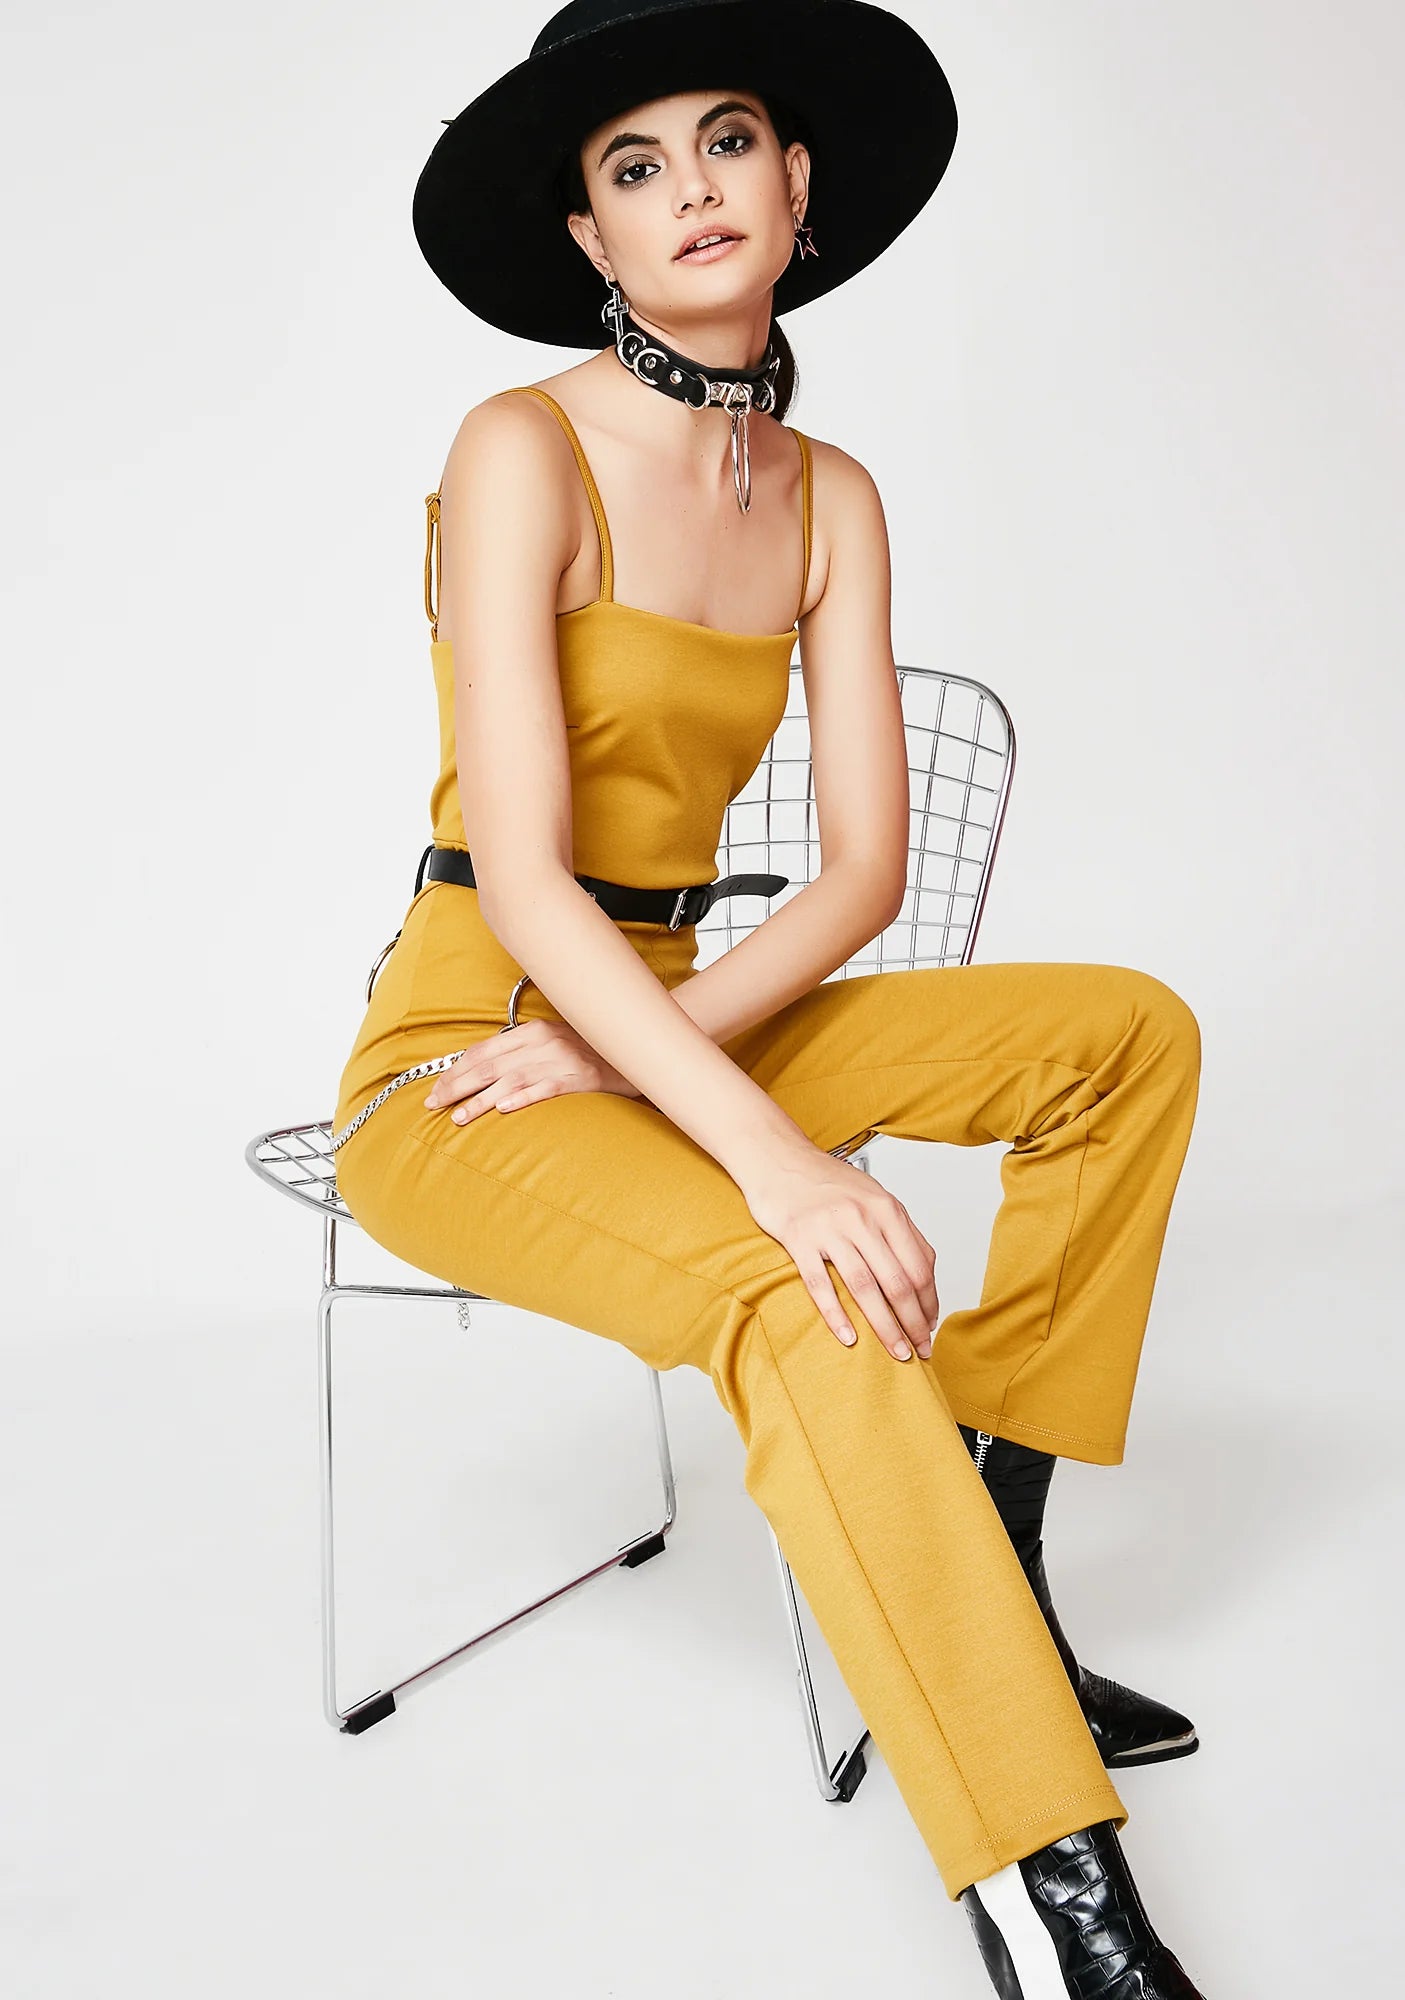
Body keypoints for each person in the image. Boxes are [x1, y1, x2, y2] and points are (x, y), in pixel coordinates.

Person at [332, 4, 1210, 1992]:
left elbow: (860, 875)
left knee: (1123, 1037)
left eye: (726, 142)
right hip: (473, 1058)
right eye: (634, 168)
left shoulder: (828, 494)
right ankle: (1047, 1889)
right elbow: (527, 880)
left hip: (669, 1013)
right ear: (591, 238)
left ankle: (983, 1555)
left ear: (797, 185)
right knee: (793, 1284)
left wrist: (665, 1057)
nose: (692, 191)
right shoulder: (520, 448)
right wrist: (775, 1160)